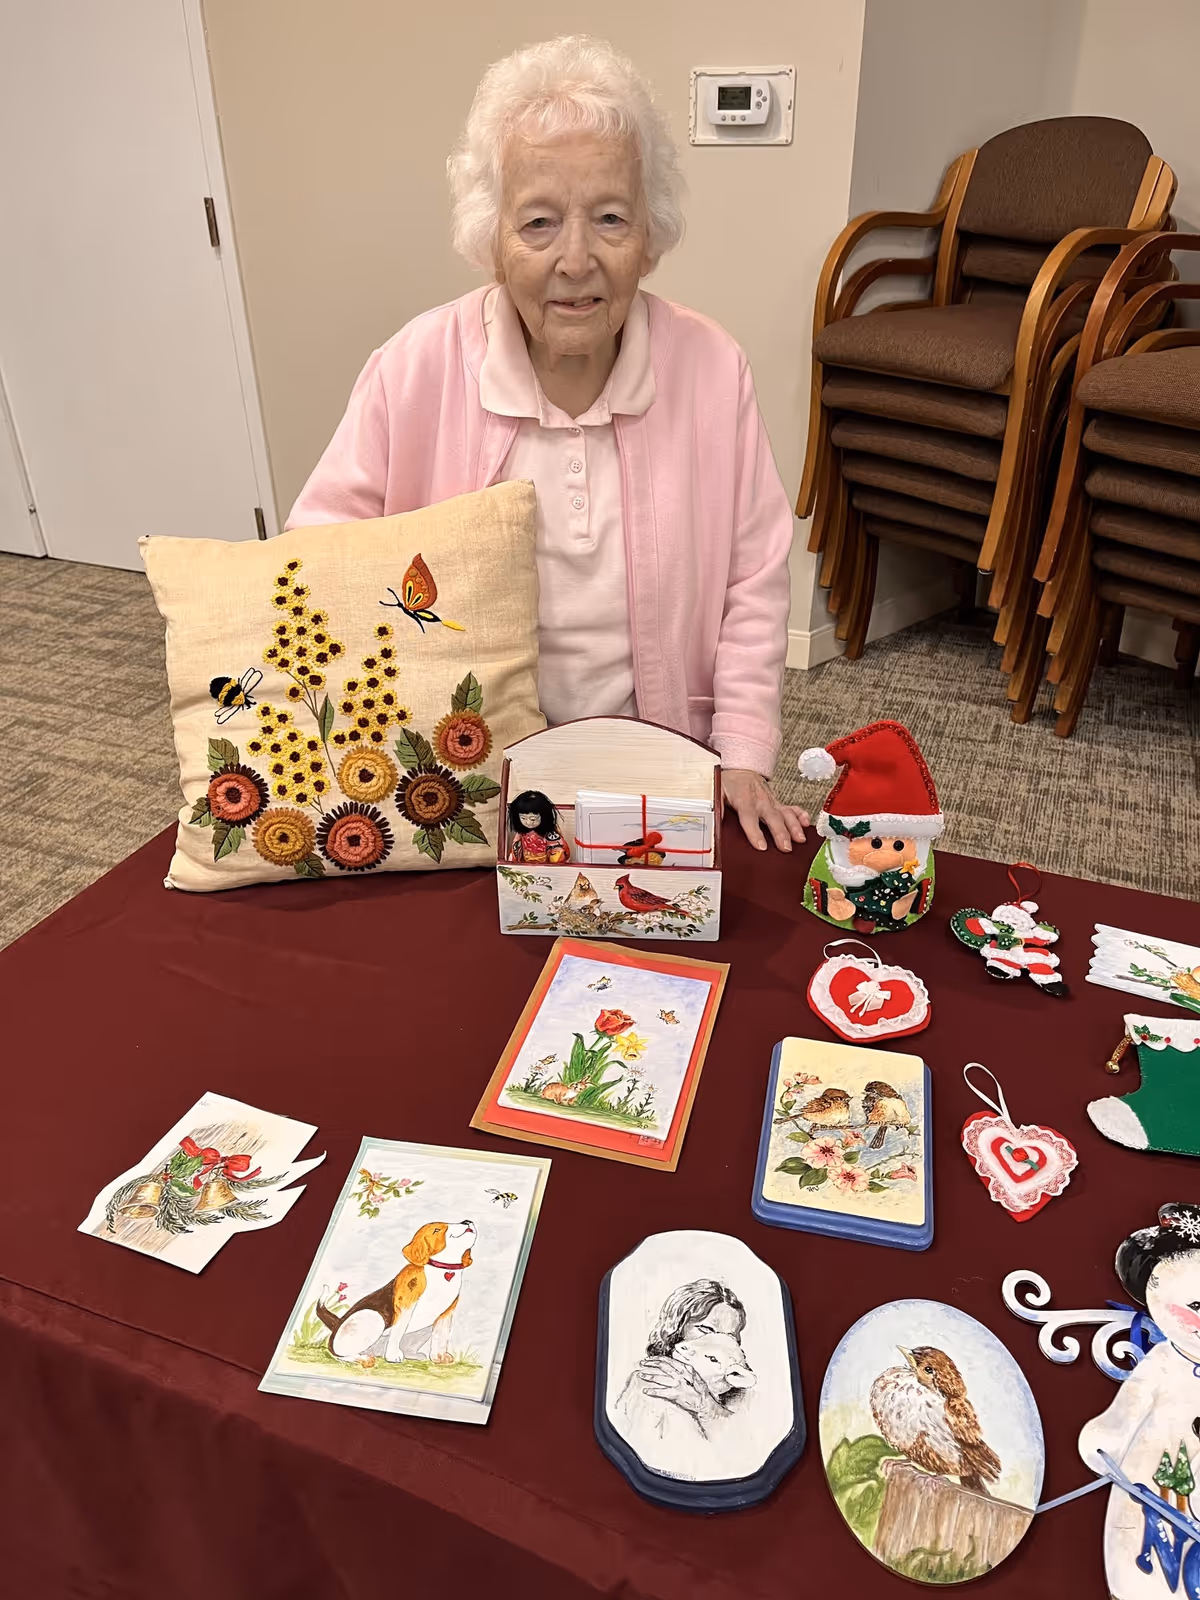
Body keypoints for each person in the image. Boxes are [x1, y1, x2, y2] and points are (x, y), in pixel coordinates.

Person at [287, 34, 808, 854]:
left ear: (651, 233)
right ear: (490, 236)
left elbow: (754, 574)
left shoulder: (711, 368)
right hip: (462, 774)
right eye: (538, 222)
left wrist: (743, 752)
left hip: (658, 757)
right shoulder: (415, 366)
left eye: (610, 218)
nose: (576, 260)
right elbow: (320, 555)